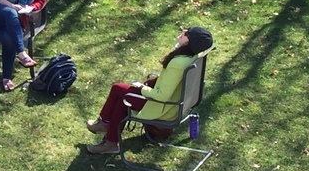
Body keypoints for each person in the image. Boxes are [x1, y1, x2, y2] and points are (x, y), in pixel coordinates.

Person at [86, 26, 214, 154]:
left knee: (118, 89)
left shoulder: (177, 64)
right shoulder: (191, 57)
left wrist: (143, 88)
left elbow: (163, 96)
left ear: (189, 43)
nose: (182, 33)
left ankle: (105, 125)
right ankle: (110, 140)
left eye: (187, 34)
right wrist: (152, 83)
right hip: (174, 105)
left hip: (161, 107)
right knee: (124, 98)